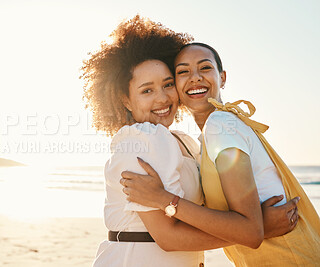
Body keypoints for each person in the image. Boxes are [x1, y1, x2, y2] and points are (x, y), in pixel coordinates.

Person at [82, 16, 298, 267]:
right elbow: (168, 237)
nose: (162, 98)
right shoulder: (138, 141)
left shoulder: (184, 141)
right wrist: (256, 230)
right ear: (126, 100)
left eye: (168, 84)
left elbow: (200, 215)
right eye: (147, 90)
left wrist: (252, 224)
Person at [121, 42, 320, 266]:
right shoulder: (212, 134)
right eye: (183, 71)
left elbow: (250, 231)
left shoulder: (220, 125)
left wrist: (163, 199)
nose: (194, 78)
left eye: (205, 68)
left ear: (222, 78)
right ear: (176, 85)